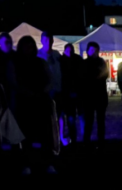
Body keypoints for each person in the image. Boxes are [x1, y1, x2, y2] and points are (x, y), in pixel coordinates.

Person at [14, 36, 55, 172]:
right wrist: (27, 93)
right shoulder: (17, 64)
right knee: (26, 136)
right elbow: (15, 83)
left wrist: (43, 91)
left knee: (45, 135)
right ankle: (27, 164)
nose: (29, 49)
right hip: (25, 103)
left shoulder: (40, 62)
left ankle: (47, 162)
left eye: (31, 46)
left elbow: (50, 79)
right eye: (26, 46)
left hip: (40, 102)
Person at [80, 42, 109, 145]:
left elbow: (105, 75)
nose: (93, 52)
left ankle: (101, 142)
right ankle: (87, 142)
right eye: (92, 50)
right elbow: (83, 79)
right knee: (89, 122)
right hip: (88, 98)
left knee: (101, 122)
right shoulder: (84, 63)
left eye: (95, 50)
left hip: (100, 97)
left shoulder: (101, 62)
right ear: (87, 51)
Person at [38, 33, 64, 142]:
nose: (48, 43)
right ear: (42, 41)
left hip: (58, 90)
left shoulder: (56, 54)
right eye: (46, 40)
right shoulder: (38, 54)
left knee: (60, 115)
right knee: (46, 117)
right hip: (45, 92)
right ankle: (47, 138)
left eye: (50, 40)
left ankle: (60, 136)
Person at [58, 43, 82, 144]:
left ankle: (72, 137)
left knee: (70, 117)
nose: (70, 52)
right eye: (68, 50)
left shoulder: (63, 60)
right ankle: (70, 137)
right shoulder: (63, 60)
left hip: (70, 92)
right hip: (66, 93)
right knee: (69, 117)